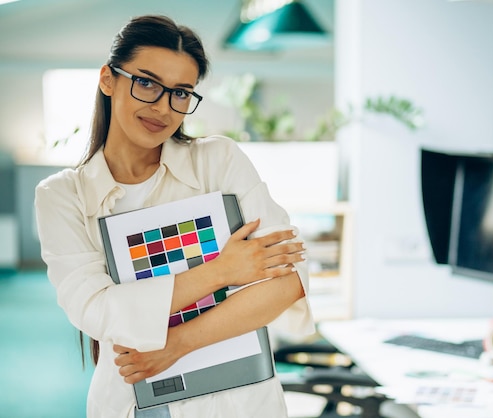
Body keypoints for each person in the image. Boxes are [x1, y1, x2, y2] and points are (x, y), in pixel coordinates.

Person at [34, 14, 314, 418]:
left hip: (242, 401)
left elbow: (289, 282)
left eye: (181, 92)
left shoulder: (218, 161)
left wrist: (177, 344)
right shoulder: (62, 195)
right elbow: (96, 310)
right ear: (108, 79)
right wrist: (222, 271)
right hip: (135, 400)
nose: (163, 107)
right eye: (146, 83)